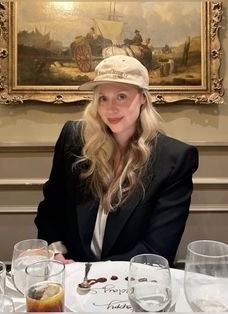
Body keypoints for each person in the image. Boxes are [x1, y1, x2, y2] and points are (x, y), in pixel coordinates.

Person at [35, 55, 198, 267]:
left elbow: (157, 250)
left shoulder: (174, 159)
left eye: (121, 96)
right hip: (70, 277)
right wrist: (54, 251)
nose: (110, 108)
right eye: (103, 97)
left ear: (143, 98)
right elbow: (51, 207)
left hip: (130, 284)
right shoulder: (74, 138)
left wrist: (88, 272)